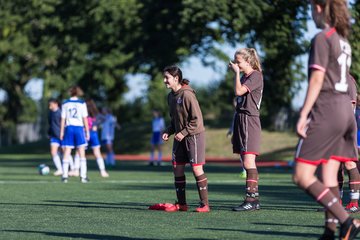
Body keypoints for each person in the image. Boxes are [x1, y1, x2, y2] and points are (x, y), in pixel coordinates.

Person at [293, 1, 360, 239]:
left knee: (301, 175)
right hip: (346, 113)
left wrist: (303, 114)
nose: (311, 14)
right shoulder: (343, 42)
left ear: (319, 8)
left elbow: (317, 80)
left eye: (311, 9)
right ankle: (329, 232)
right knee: (329, 176)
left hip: (328, 110)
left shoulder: (322, 38)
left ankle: (346, 221)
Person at [162, 66, 209, 212]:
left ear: (176, 79)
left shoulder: (188, 95)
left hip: (193, 136)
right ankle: (182, 204)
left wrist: (184, 132)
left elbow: (197, 120)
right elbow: (174, 120)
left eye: (167, 78)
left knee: (196, 169)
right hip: (179, 137)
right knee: (177, 167)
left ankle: (205, 204)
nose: (164, 81)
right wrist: (168, 131)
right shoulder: (170, 96)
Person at [228, 48, 263, 212]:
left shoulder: (255, 75)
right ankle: (253, 199)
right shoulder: (245, 76)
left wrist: (235, 74)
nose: (236, 64)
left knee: (249, 161)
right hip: (241, 120)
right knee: (244, 160)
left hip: (250, 120)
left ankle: (251, 200)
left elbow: (238, 91)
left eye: (238, 61)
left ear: (248, 62)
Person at [337, 76, 360, 213]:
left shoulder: (347, 80)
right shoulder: (331, 78)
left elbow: (350, 107)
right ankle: (336, 202)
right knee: (335, 165)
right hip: (334, 129)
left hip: (345, 128)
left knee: (349, 163)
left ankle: (354, 203)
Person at [60, 86, 90, 183]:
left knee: (67, 152)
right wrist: (87, 131)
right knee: (82, 153)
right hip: (79, 128)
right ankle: (83, 176)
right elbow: (85, 118)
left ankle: (64, 176)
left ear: (70, 93)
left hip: (69, 128)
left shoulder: (65, 103)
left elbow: (63, 119)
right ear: (78, 93)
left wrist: (61, 132)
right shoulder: (82, 103)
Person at [72, 100, 110, 178]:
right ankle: (103, 171)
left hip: (85, 133)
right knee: (97, 153)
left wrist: (96, 124)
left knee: (78, 152)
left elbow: (104, 119)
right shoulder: (96, 114)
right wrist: (96, 125)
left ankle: (76, 170)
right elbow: (104, 119)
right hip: (93, 134)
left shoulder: (84, 113)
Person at [226, 97, 247, 179]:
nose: (234, 105)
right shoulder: (236, 112)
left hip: (243, 134)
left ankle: (247, 171)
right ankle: (244, 170)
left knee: (245, 153)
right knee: (241, 153)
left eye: (236, 102)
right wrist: (231, 132)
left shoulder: (242, 112)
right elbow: (233, 123)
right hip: (237, 134)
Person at [47, 98, 63, 176]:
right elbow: (50, 125)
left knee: (65, 152)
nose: (50, 106)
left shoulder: (61, 112)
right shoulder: (50, 113)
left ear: (56, 104)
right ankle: (60, 169)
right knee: (53, 152)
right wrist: (49, 133)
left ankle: (73, 168)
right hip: (54, 136)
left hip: (62, 135)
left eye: (51, 104)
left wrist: (63, 133)